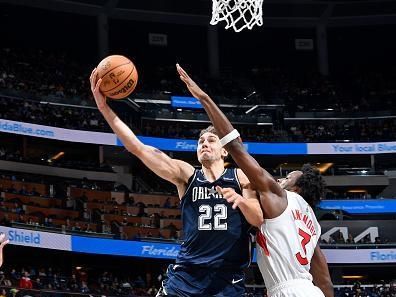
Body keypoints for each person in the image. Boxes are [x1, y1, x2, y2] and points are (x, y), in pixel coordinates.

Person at [90, 68, 263, 297]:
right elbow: (137, 148)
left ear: (224, 152)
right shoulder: (187, 175)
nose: (204, 143)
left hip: (227, 281)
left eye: (211, 140)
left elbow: (258, 218)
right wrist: (104, 107)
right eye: (200, 141)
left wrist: (240, 200)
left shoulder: (239, 177)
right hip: (185, 278)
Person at [177, 64, 334, 297]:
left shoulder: (279, 197)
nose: (281, 179)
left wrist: (204, 98)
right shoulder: (313, 225)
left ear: (297, 188)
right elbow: (325, 281)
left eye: (288, 178)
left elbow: (234, 146)